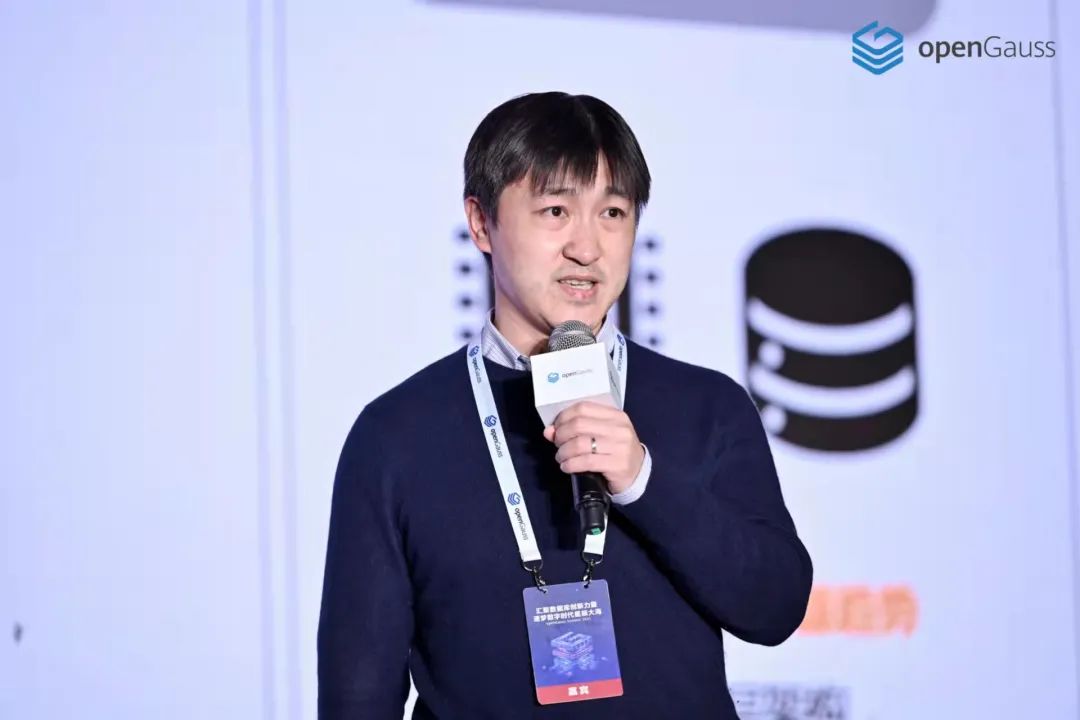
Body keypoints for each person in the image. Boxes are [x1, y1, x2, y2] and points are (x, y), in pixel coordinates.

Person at [317, 91, 813, 719]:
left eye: (613, 212)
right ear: (481, 223)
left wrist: (643, 481)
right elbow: (358, 691)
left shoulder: (708, 406)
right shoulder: (396, 434)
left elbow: (775, 607)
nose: (587, 247)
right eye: (555, 210)